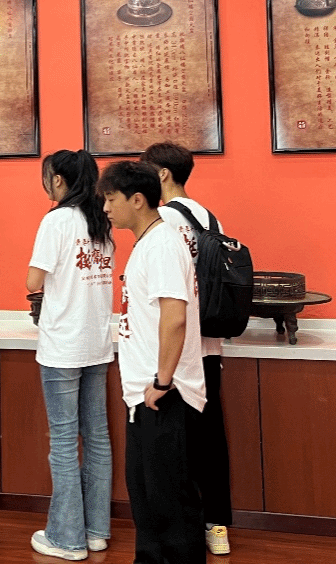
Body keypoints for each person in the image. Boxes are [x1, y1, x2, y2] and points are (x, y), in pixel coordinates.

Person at [97, 161, 206, 564]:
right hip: (145, 394)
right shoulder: (149, 242)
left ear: (137, 200)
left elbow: (175, 317)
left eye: (111, 199)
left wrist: (162, 381)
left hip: (166, 394)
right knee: (147, 499)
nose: (106, 208)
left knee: (170, 502)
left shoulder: (162, 245)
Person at [142, 141, 233, 556]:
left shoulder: (162, 220)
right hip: (210, 343)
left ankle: (185, 529)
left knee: (177, 443)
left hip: (179, 350)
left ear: (161, 174)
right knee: (211, 435)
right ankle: (217, 526)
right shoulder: (208, 216)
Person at [26, 150, 114, 560]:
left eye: (47, 176)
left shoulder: (57, 220)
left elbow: (33, 280)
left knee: (63, 441)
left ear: (59, 180)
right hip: (97, 342)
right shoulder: (101, 220)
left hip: (62, 345)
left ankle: (66, 538)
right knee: (97, 437)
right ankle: (95, 531)